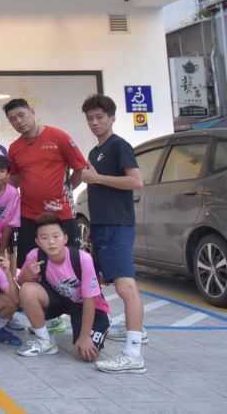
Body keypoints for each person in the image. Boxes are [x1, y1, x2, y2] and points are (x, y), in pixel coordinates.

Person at [80, 94, 147, 374]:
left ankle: (133, 354)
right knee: (106, 283)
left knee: (125, 286)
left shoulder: (119, 145)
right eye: (90, 119)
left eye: (100, 117)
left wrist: (97, 178)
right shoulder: (96, 151)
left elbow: (136, 181)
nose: (95, 123)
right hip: (101, 226)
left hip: (118, 225)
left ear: (112, 118)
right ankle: (137, 330)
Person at [16, 214, 111, 364]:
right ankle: (45, 341)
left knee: (88, 355)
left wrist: (84, 336)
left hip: (86, 305)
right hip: (61, 300)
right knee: (27, 290)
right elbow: (22, 284)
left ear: (65, 238)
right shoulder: (35, 256)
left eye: (56, 236)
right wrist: (28, 273)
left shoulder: (82, 259)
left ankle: (97, 326)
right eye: (44, 238)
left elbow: (90, 299)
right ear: (38, 242)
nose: (51, 242)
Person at [3, 98, 86, 266]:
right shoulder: (14, 147)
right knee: (31, 266)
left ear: (32, 112)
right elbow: (14, 181)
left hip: (61, 213)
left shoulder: (59, 136)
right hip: (29, 215)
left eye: (21, 115)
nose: (18, 121)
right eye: (12, 119)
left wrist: (66, 190)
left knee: (69, 264)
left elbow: (80, 169)